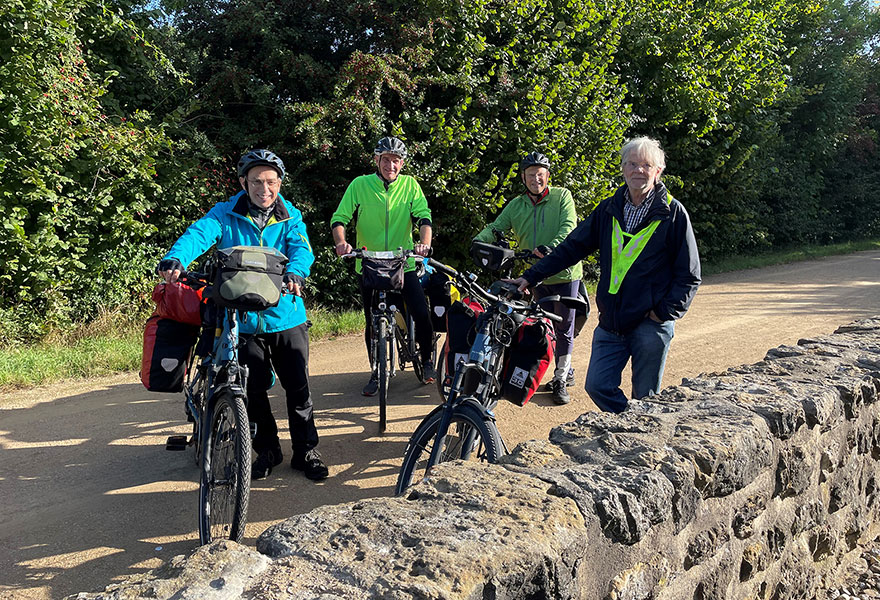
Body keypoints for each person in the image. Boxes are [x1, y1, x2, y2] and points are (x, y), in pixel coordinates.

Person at [157, 149, 328, 481]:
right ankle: (267, 450)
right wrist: (176, 259)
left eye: (271, 182)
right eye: (256, 182)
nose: (264, 189)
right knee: (250, 389)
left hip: (285, 315)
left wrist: (296, 273)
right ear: (243, 182)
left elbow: (301, 249)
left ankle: (306, 450)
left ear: (279, 183)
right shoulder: (225, 213)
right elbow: (198, 235)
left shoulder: (290, 215)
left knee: (298, 388)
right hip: (241, 320)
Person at [510, 136, 701, 412]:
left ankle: (641, 440)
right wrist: (530, 276)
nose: (638, 170)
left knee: (645, 397)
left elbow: (690, 275)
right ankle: (630, 423)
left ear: (658, 171)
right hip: (612, 321)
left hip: (651, 323)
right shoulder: (609, 209)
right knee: (597, 385)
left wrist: (663, 312)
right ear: (623, 169)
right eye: (632, 164)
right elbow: (571, 248)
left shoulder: (673, 213)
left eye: (646, 165)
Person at [473, 151, 582, 405]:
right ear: (523, 177)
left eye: (541, 174)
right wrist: (479, 241)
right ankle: (548, 368)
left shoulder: (562, 196)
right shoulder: (517, 204)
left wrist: (551, 247)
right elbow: (496, 227)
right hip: (534, 277)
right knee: (543, 327)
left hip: (564, 272)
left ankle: (561, 378)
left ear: (548, 176)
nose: (536, 179)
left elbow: (569, 226)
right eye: (531, 174)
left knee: (564, 327)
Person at [331, 136, 435, 396]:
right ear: (376, 160)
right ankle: (376, 371)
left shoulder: (410, 185)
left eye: (396, 160)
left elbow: (424, 217)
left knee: (421, 312)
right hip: (369, 264)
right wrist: (342, 243)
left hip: (403, 262)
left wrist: (423, 244)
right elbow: (340, 217)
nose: (391, 165)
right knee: (371, 320)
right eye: (386, 159)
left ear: (402, 163)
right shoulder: (360, 185)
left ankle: (427, 360)